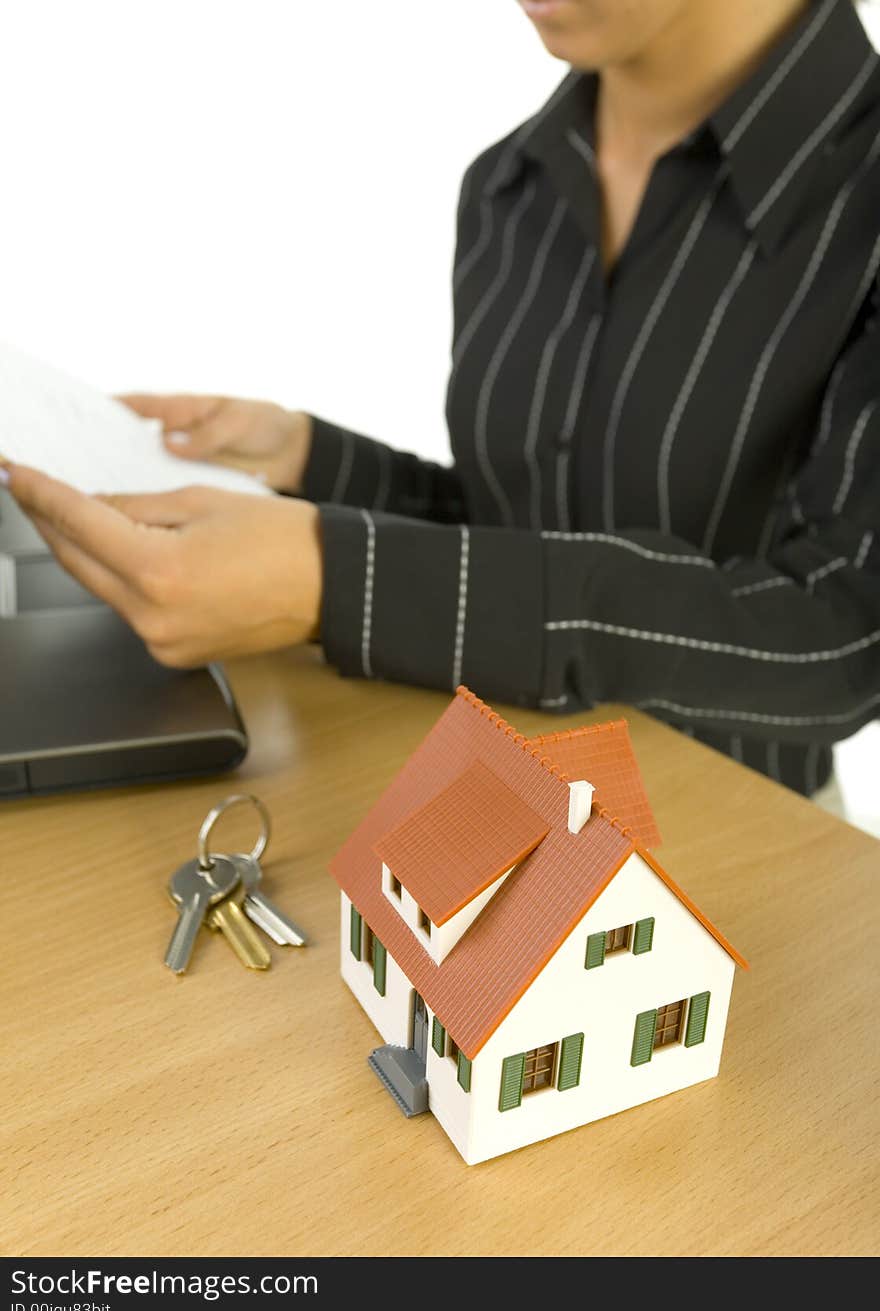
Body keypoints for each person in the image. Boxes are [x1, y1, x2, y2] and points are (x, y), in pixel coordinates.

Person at [3, 0, 878, 799]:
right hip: (501, 804)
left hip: (752, 838)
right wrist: (308, 459)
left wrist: (338, 581)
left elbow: (844, 638)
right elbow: (525, 532)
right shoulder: (510, 187)